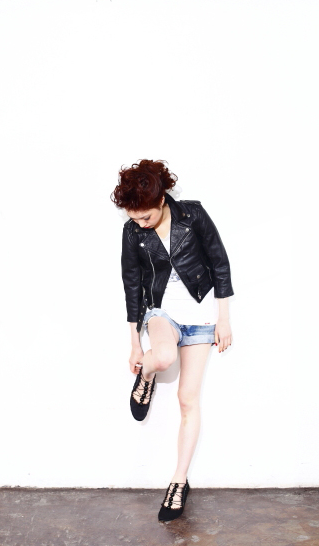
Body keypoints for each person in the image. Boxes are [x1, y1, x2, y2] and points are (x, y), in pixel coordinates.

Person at [110, 158, 234, 522]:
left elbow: (220, 263)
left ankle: (179, 482)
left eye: (145, 217)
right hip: (162, 311)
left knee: (187, 400)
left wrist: (223, 320)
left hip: (201, 316)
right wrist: (135, 343)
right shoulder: (132, 233)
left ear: (162, 200)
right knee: (162, 357)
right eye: (134, 218)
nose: (140, 224)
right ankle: (147, 375)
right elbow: (132, 284)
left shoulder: (193, 215)